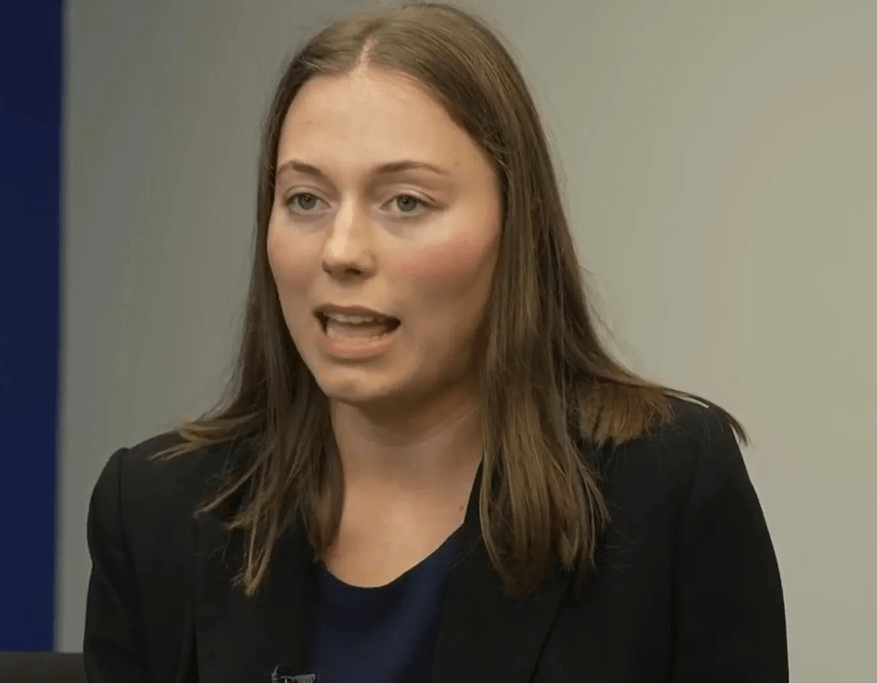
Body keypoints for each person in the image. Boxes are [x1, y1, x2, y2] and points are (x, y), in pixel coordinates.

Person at [83, 3, 787, 682]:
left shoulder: (665, 486)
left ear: (516, 224)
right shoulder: (153, 510)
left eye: (406, 202)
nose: (342, 250)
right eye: (306, 199)